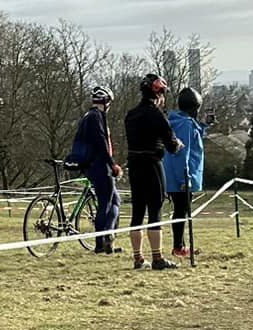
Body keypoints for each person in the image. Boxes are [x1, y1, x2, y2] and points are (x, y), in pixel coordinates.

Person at [123, 74, 180, 270]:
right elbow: (171, 144)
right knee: (155, 208)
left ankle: (138, 258)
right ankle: (157, 258)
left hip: (134, 165)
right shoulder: (157, 114)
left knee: (137, 210)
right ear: (159, 93)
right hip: (152, 163)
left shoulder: (130, 115)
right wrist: (178, 144)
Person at [67, 83, 121, 255]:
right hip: (99, 166)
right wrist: (112, 164)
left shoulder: (88, 116)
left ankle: (107, 239)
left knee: (114, 201)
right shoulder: (96, 117)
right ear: (105, 102)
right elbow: (101, 143)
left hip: (91, 165)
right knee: (106, 203)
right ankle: (104, 240)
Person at [165, 85, 207, 258]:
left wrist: (204, 125)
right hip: (181, 175)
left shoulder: (177, 121)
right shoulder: (186, 124)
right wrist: (185, 177)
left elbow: (193, 137)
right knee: (181, 210)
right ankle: (178, 246)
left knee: (181, 209)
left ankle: (180, 245)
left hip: (173, 173)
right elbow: (184, 151)